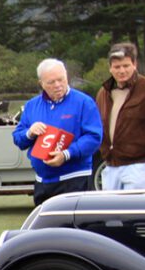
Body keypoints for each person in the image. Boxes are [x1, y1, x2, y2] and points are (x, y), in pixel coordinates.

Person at [12, 59, 103, 205]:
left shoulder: (84, 102)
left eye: (61, 79)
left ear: (66, 76)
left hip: (75, 180)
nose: (58, 85)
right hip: (42, 181)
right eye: (51, 82)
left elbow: (94, 137)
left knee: (73, 227)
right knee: (46, 227)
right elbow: (18, 138)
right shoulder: (32, 105)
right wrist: (29, 133)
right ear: (41, 83)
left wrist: (66, 154)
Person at [95, 41, 145, 191]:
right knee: (112, 213)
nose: (122, 70)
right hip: (110, 166)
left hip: (141, 167)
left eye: (126, 66)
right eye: (117, 67)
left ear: (135, 64)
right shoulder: (103, 93)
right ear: (110, 68)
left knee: (137, 213)